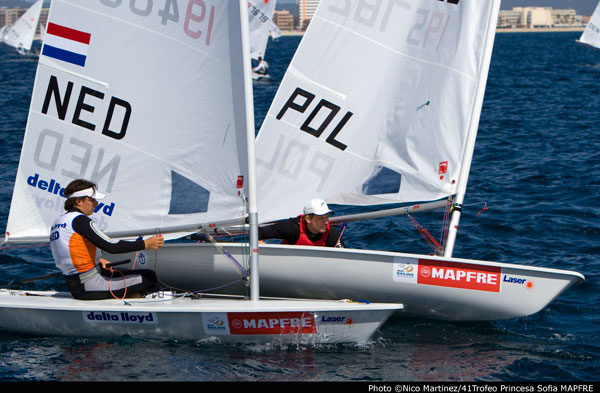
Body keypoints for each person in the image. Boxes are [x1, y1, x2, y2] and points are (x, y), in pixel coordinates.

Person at [50, 179, 165, 300]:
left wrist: (98, 259)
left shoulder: (59, 221)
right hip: (91, 285)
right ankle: (132, 305)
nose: (96, 204)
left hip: (77, 285)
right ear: (78, 201)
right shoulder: (80, 220)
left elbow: (69, 252)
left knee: (125, 273)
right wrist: (145, 244)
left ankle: (128, 299)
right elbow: (111, 246)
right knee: (149, 277)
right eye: (92, 200)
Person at [258, 199, 345, 247]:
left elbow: (344, 255)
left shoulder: (330, 233)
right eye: (321, 218)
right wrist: (259, 242)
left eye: (327, 217)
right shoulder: (292, 228)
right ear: (308, 219)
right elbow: (257, 232)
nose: (326, 222)